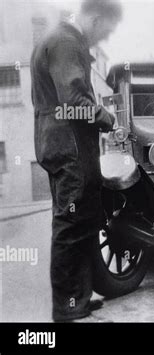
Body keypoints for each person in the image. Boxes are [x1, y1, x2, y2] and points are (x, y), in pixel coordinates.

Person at [30, 0, 123, 321]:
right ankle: (68, 308)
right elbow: (72, 99)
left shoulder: (60, 38)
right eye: (106, 32)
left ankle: (77, 298)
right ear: (95, 19)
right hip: (66, 139)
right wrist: (108, 118)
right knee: (71, 222)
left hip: (58, 138)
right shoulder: (67, 41)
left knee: (80, 217)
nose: (104, 39)